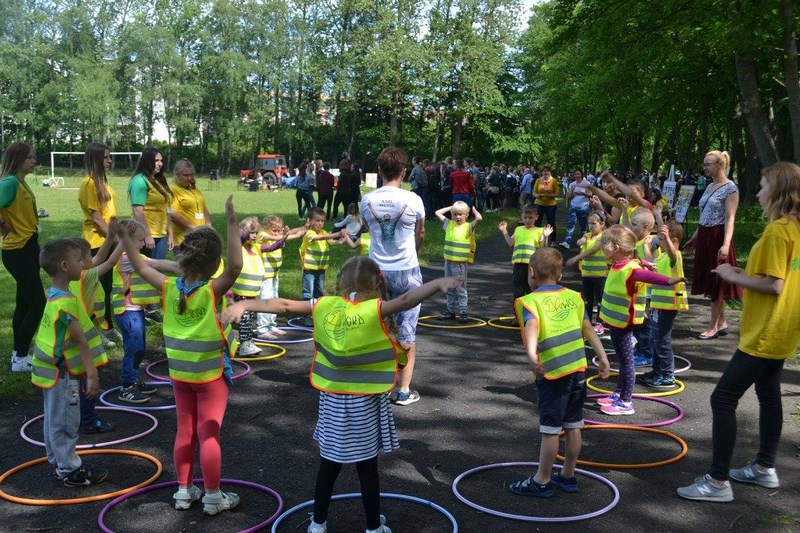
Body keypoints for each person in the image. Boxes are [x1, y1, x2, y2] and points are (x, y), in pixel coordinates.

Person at [222, 256, 463, 533]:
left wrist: (245, 304)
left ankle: (317, 524)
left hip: (333, 403)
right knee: (367, 469)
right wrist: (437, 284)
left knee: (329, 466)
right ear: (377, 283)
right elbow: (407, 300)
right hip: (366, 403)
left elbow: (284, 305)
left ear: (339, 282)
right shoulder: (375, 309)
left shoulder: (323, 305)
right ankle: (373, 527)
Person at [677, 162, 800, 503]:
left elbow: (774, 285)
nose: (757, 193)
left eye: (763, 186)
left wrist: (733, 276)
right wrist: (742, 270)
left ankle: (717, 483)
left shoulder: (778, 231)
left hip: (765, 330)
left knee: (722, 399)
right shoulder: (794, 228)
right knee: (769, 394)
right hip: (783, 329)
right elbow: (782, 275)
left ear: (778, 191)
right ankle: (764, 467)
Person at [118, 196, 245, 515]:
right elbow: (236, 267)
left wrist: (123, 237)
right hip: (210, 377)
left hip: (180, 377)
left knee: (185, 432)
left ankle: (184, 492)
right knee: (209, 434)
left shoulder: (168, 287)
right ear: (213, 264)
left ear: (184, 259)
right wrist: (231, 222)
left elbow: (141, 265)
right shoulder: (210, 291)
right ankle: (213, 497)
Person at [507, 247, 610, 498]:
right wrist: (603, 357)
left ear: (531, 272)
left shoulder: (531, 301)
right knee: (573, 425)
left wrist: (532, 355)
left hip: (553, 373)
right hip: (577, 370)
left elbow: (532, 327)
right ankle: (567, 475)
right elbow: (588, 328)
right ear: (560, 275)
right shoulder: (575, 297)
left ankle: (542, 480)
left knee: (551, 429)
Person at [31, 238, 108, 486]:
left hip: (50, 372)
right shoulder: (65, 303)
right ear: (65, 266)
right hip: (63, 375)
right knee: (66, 421)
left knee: (54, 417)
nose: (83, 264)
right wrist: (92, 375)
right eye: (78, 261)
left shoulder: (54, 295)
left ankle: (59, 461)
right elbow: (81, 341)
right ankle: (70, 470)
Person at [594, 225, 685, 415]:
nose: (601, 247)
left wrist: (671, 281)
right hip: (615, 322)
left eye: (605, 244)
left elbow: (651, 277)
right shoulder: (619, 263)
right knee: (622, 360)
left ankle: (625, 402)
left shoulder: (632, 270)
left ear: (616, 248)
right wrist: (644, 261)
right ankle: (618, 393)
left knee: (627, 363)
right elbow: (636, 259)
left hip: (624, 324)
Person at [361, 147, 426, 406]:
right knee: (407, 332)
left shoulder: (367, 200)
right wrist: (413, 253)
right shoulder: (414, 200)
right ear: (404, 171)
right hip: (407, 270)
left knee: (378, 328)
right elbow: (420, 234)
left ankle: (377, 385)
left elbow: (369, 228)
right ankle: (403, 391)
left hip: (376, 272)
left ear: (379, 170)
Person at [111, 219, 179, 404]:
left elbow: (155, 263)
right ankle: (127, 386)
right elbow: (156, 265)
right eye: (140, 240)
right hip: (127, 311)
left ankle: (133, 379)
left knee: (139, 348)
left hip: (135, 310)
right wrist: (179, 267)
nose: (143, 243)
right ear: (128, 240)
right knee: (134, 348)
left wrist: (177, 267)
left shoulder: (134, 256)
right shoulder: (126, 258)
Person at [682, 150, 742, 340]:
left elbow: (730, 219)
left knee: (717, 282)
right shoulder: (709, 186)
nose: (705, 167)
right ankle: (721, 322)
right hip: (705, 235)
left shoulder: (731, 189)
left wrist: (726, 244)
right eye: (704, 164)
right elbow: (705, 215)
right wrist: (695, 237)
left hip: (718, 237)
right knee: (709, 280)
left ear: (720, 165)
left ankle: (712, 326)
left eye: (708, 164)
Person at [67, 236, 123, 434]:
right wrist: (123, 240)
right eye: (88, 256)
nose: (94, 257)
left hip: (68, 342)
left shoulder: (64, 281)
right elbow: (109, 260)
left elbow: (100, 257)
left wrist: (110, 236)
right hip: (82, 339)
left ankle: (73, 417)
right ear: (79, 262)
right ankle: (88, 421)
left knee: (73, 383)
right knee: (87, 383)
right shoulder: (87, 276)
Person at [1, 142, 46, 372]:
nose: (34, 161)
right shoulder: (9, 182)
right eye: (29, 157)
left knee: (24, 302)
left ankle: (18, 355)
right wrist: (2, 224)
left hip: (28, 247)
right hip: (17, 251)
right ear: (18, 159)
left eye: (34, 157)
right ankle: (20, 357)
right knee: (38, 303)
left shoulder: (20, 182)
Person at [78, 142, 119, 346]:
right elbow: (97, 219)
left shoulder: (104, 183)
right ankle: (96, 331)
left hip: (108, 240)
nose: (109, 160)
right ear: (95, 159)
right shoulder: (89, 183)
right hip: (96, 243)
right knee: (96, 291)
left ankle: (107, 328)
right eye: (105, 157)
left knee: (107, 289)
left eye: (109, 156)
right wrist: (116, 240)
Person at [639, 220, 688, 389]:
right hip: (657, 305)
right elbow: (651, 264)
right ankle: (657, 371)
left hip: (667, 307)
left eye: (661, 239)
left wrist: (665, 238)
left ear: (673, 240)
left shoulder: (676, 256)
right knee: (655, 339)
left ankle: (667, 375)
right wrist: (644, 249)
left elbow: (674, 255)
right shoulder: (662, 256)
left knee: (662, 341)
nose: (658, 242)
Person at [129, 147, 172, 323]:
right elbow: (138, 210)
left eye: (161, 160)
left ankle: (151, 308)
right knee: (144, 271)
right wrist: (147, 235)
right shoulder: (140, 181)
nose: (160, 164)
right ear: (147, 161)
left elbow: (166, 209)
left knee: (156, 270)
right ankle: (140, 307)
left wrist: (170, 233)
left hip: (161, 233)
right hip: (147, 234)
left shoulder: (158, 180)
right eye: (156, 160)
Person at [255, 215, 306, 340]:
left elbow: (288, 231)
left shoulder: (276, 233)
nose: (277, 233)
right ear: (265, 227)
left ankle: (271, 325)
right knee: (266, 302)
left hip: (274, 274)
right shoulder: (262, 235)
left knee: (274, 300)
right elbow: (279, 237)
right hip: (265, 276)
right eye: (274, 230)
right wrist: (296, 235)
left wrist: (304, 227)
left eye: (279, 230)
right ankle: (262, 329)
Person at [434, 202, 482, 322]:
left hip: (459, 264)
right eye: (455, 214)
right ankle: (450, 310)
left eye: (460, 214)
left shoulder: (468, 227)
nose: (458, 217)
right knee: (449, 287)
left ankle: (463, 311)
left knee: (460, 288)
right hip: (448, 262)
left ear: (466, 215)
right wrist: (452, 207)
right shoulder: (449, 224)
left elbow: (479, 218)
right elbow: (437, 213)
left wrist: (473, 209)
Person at [298, 207, 346, 326]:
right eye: (317, 220)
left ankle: (317, 314)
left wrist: (341, 240)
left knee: (319, 293)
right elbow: (319, 238)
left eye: (322, 221)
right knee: (308, 293)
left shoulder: (324, 232)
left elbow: (332, 242)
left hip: (321, 269)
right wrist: (337, 233)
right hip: (309, 269)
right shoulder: (309, 233)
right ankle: (306, 316)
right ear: (310, 221)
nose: (320, 223)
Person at [499, 205, 553, 304]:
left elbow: (543, 248)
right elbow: (510, 243)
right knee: (518, 291)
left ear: (536, 217)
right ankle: (518, 312)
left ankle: (530, 312)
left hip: (532, 266)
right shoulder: (518, 229)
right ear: (522, 217)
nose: (527, 220)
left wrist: (545, 236)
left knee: (530, 290)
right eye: (525, 217)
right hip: (518, 265)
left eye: (530, 218)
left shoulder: (539, 231)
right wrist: (504, 231)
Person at [574, 212, 608, 332]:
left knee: (600, 300)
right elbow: (580, 241)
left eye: (593, 223)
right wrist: (580, 241)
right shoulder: (587, 235)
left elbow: (594, 249)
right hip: (586, 273)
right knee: (587, 300)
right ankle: (587, 322)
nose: (590, 226)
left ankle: (599, 323)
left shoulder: (604, 236)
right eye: (589, 223)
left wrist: (577, 257)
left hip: (600, 275)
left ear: (602, 224)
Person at [169, 159, 211, 246]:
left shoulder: (194, 189)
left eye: (191, 175)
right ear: (177, 174)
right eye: (185, 175)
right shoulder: (172, 189)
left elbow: (204, 209)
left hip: (200, 237)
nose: (189, 178)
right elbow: (172, 213)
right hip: (183, 239)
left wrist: (208, 226)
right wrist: (193, 228)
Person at [558, 170, 592, 249]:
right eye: (575, 174)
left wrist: (582, 193)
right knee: (570, 224)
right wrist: (572, 191)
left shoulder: (586, 183)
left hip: (584, 207)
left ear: (582, 175)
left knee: (583, 225)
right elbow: (568, 197)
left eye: (579, 174)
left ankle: (584, 242)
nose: (577, 175)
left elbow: (590, 195)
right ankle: (566, 242)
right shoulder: (572, 184)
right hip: (573, 206)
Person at [533, 165, 559, 240]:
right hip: (539, 203)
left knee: (551, 222)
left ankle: (553, 240)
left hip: (551, 204)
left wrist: (550, 195)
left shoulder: (553, 181)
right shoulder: (538, 180)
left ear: (550, 172)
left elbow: (557, 193)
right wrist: (537, 195)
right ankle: (537, 238)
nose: (546, 172)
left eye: (548, 171)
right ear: (542, 172)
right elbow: (534, 193)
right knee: (537, 221)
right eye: (544, 171)